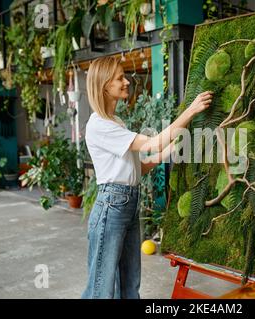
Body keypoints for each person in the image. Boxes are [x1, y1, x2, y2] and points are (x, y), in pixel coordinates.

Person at [81, 56, 213, 299]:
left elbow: (136, 168)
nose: (127, 82)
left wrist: (169, 151)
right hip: (112, 205)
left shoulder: (116, 122)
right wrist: (191, 110)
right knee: (101, 289)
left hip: (127, 203)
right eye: (120, 78)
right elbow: (151, 142)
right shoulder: (98, 125)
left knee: (130, 284)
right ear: (104, 86)